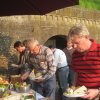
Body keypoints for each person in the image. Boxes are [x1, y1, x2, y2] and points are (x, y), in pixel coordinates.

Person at [68, 23, 100, 100]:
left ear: (86, 37)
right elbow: (76, 73)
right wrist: (74, 87)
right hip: (80, 96)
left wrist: (98, 91)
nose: (74, 47)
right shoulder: (75, 54)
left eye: (77, 43)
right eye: (73, 44)